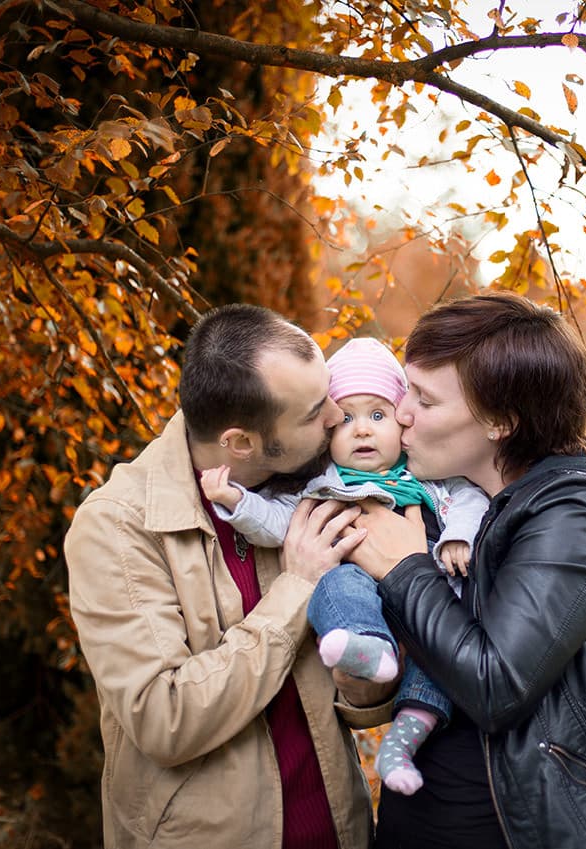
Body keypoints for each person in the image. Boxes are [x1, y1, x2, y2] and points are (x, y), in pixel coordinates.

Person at [344, 292, 586, 849]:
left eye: (425, 400)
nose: (401, 414)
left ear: (501, 421)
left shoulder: (573, 513)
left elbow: (496, 684)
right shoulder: (457, 502)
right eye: (404, 390)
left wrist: (404, 570)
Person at [64, 304, 397, 849]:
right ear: (241, 442)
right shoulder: (118, 527)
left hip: (342, 830)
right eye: (315, 411)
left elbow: (360, 698)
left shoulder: (303, 485)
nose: (339, 415)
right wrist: (298, 589)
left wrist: (370, 673)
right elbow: (163, 718)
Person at [199, 336, 490, 795]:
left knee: (447, 645)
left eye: (378, 415)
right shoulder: (321, 486)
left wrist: (456, 537)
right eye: (346, 419)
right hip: (365, 597)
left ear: (401, 422)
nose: (362, 430)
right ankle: (365, 645)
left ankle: (406, 735)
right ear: (328, 432)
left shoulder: (428, 477)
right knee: (339, 579)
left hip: (430, 603)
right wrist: (238, 503)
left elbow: (471, 501)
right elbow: (279, 523)